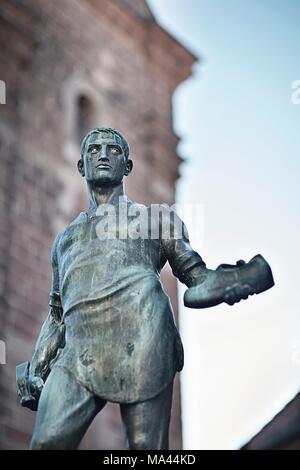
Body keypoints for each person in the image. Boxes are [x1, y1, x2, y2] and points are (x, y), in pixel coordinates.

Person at [17, 127, 274, 450]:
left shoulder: (157, 218)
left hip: (144, 338)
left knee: (147, 450)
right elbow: (57, 316)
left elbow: (197, 279)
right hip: (78, 351)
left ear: (127, 165)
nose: (103, 155)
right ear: (82, 166)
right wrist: (38, 366)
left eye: (113, 150)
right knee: (45, 443)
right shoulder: (64, 240)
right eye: (94, 150)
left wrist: (239, 281)